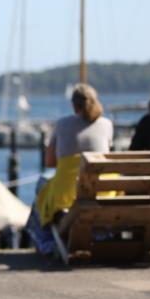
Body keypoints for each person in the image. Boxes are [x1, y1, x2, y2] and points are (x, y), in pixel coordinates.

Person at [35, 83, 113, 227]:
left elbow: (49, 162)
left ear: (74, 105)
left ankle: (45, 238)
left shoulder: (62, 124)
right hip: (103, 192)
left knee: (41, 187)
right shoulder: (107, 124)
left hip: (67, 197)